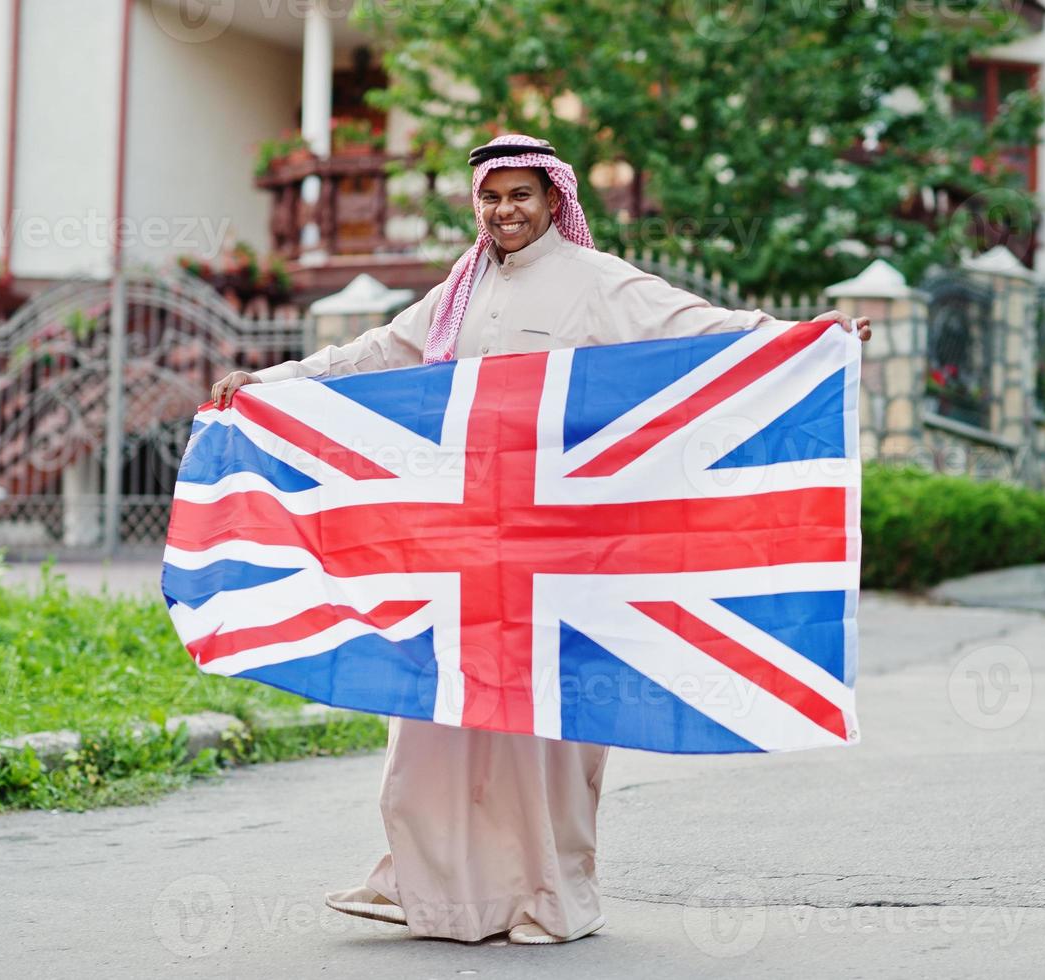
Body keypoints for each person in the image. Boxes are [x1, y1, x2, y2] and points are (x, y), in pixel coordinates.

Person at [210, 134, 872, 945]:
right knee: (436, 719)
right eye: (491, 197)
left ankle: (550, 900)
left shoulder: (596, 282)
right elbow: (377, 352)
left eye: (521, 195)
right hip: (461, 551)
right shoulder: (459, 290)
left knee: (541, 738)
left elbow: (697, 328)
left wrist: (805, 338)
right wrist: (275, 385)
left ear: (554, 199)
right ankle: (435, 891)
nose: (505, 211)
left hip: (558, 555)